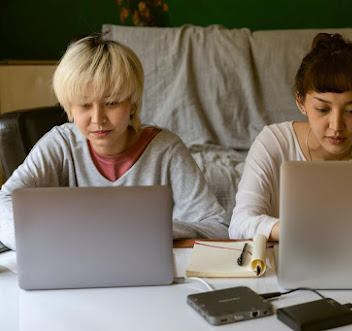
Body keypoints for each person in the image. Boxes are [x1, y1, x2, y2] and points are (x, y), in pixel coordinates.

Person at [0, 34, 228, 250]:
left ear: (133, 104)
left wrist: (151, 230)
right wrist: (43, 240)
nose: (98, 119)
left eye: (111, 103)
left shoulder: (167, 150)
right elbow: (4, 204)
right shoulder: (60, 144)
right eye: (84, 105)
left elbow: (217, 228)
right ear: (70, 108)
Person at [229, 33, 352, 241]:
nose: (336, 126)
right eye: (322, 109)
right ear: (300, 102)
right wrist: (295, 230)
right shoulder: (274, 143)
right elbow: (239, 223)